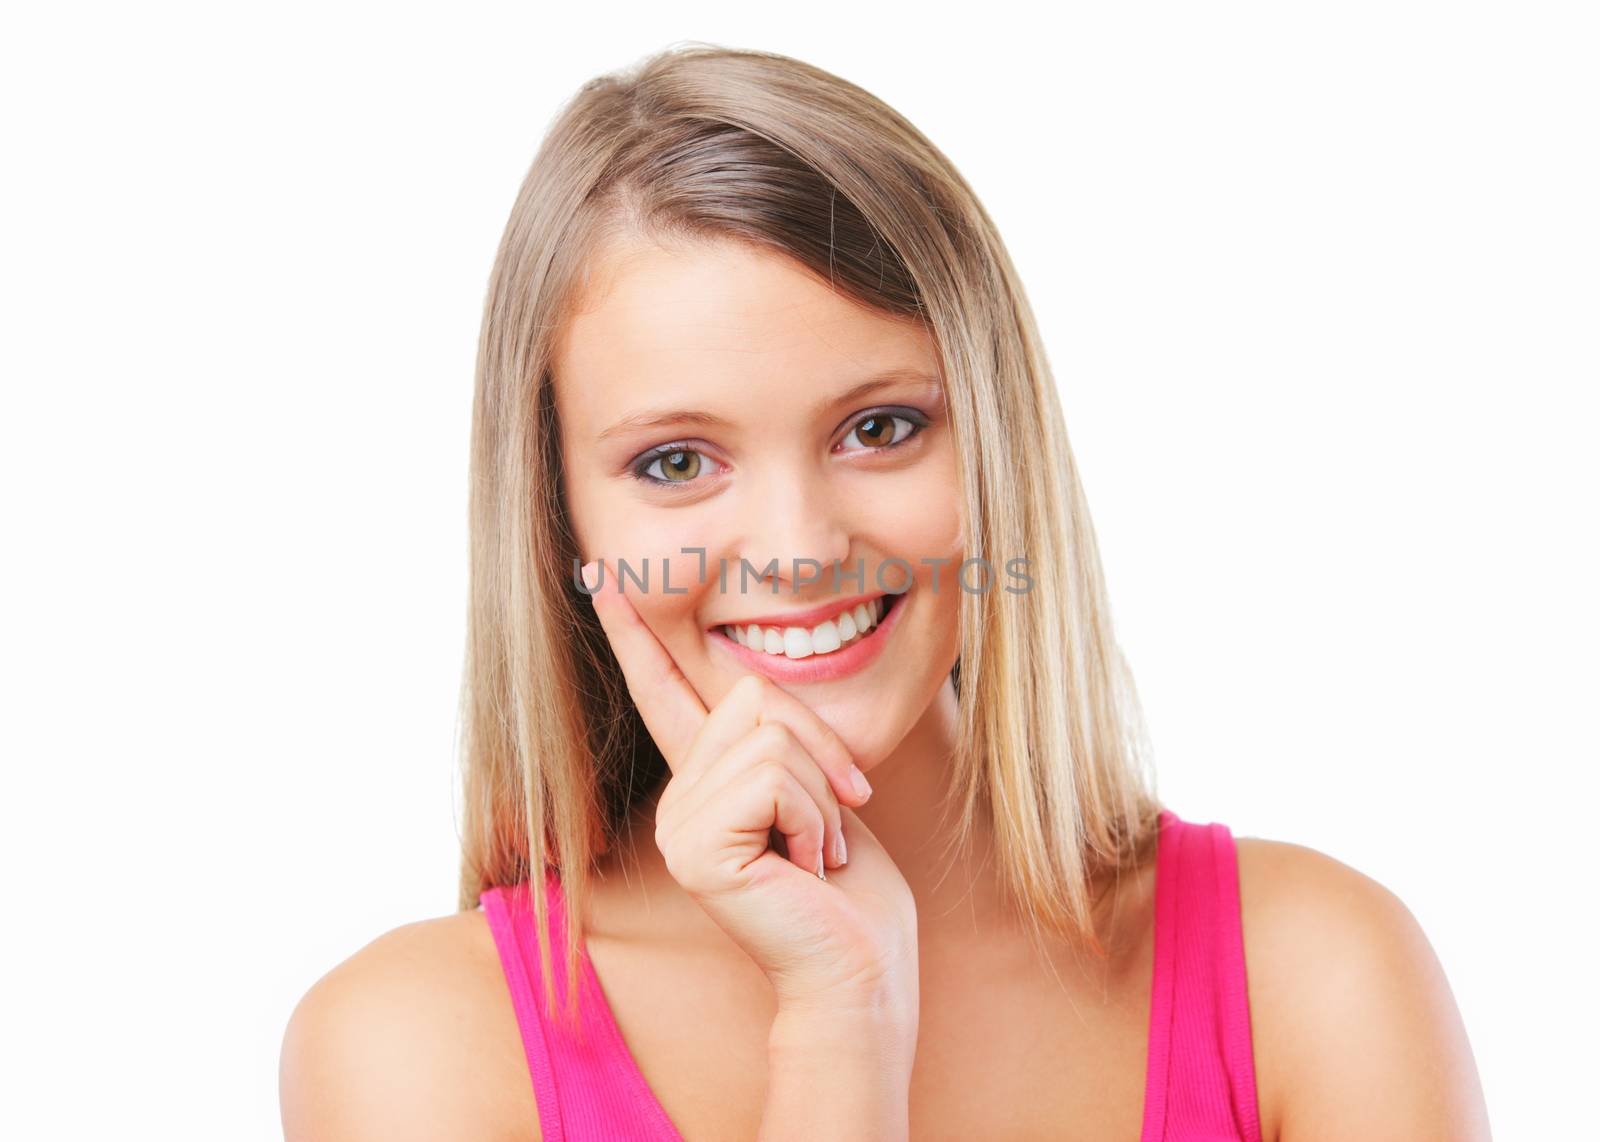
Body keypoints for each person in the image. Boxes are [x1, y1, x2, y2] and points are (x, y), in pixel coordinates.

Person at [280, 44, 1490, 1141]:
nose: (800, 547)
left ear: (996, 447)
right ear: (560, 522)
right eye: (675, 462)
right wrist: (837, 1026)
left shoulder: (1315, 975)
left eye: (879, 427)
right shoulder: (411, 1049)